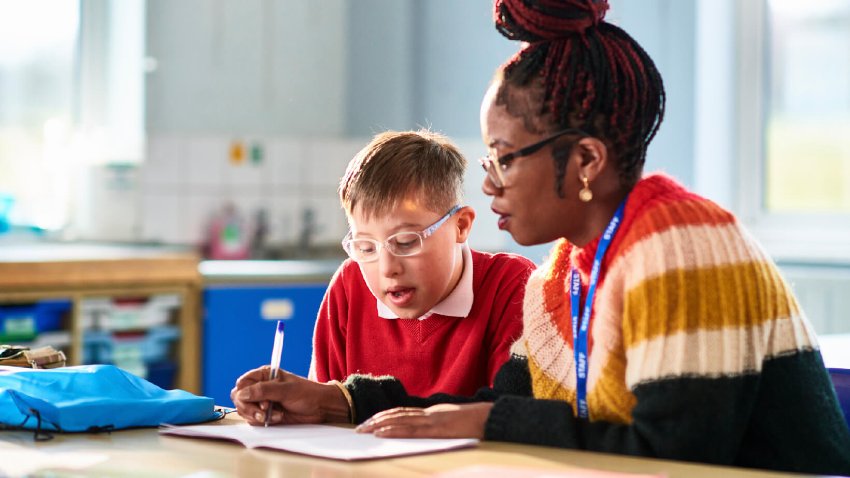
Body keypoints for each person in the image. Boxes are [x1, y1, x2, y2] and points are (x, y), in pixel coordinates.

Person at [232, 1, 850, 474]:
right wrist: (341, 404)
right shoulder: (566, 273)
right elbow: (488, 400)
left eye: (504, 157)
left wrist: (488, 421)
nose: (490, 183)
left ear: (584, 159)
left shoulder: (680, 246)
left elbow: (671, 456)